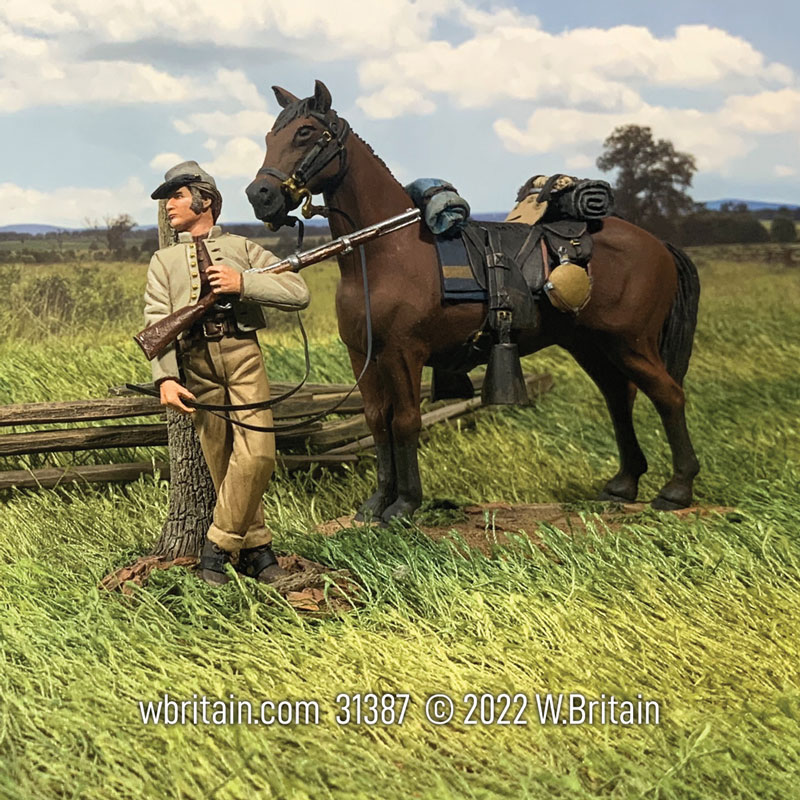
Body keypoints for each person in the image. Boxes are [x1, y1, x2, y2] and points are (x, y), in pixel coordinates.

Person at [144, 160, 310, 586]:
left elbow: (298, 291)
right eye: (168, 200)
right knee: (221, 462)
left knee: (258, 455)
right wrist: (165, 378)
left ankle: (216, 547)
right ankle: (257, 549)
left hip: (242, 354)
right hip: (195, 363)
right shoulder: (163, 262)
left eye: (177, 196)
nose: (169, 207)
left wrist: (244, 284)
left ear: (206, 200)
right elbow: (155, 323)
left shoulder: (243, 249)